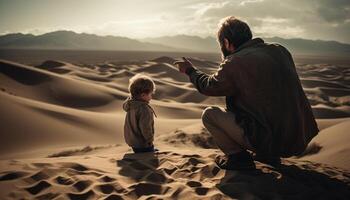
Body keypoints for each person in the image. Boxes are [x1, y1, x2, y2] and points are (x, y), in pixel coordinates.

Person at [174, 16, 319, 170]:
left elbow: (209, 86)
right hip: (297, 137)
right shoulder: (280, 50)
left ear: (226, 43)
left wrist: (190, 70)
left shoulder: (235, 62)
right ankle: (268, 156)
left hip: (269, 141)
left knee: (210, 115)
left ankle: (238, 158)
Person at [122, 74, 157, 153]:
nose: (151, 97)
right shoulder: (144, 109)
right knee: (149, 155)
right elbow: (145, 127)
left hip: (132, 141)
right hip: (142, 143)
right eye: (151, 94)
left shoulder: (130, 105)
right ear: (143, 95)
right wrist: (149, 140)